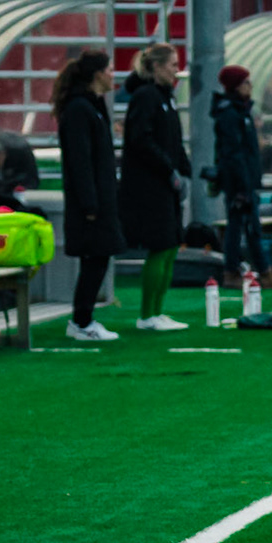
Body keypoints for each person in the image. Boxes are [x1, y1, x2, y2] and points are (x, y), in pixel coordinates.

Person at [118, 42, 192, 331]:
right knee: (160, 247)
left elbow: (174, 140)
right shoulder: (146, 96)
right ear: (157, 67)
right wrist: (168, 169)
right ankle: (147, 315)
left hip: (167, 183)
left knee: (171, 247)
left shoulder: (166, 97)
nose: (176, 70)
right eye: (172, 64)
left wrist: (183, 170)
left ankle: (158, 311)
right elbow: (141, 140)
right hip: (150, 186)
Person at [53, 49, 124, 342]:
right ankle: (81, 321)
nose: (113, 75)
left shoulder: (92, 105)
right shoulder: (79, 109)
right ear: (97, 74)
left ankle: (84, 319)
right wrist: (90, 203)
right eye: (109, 70)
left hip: (101, 196)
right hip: (90, 201)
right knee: (94, 257)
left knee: (99, 257)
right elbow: (80, 161)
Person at [212, 65, 270, 287]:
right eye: (246, 82)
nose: (251, 86)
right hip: (238, 180)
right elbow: (234, 152)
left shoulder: (239, 110)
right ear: (236, 85)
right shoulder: (231, 113)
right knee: (244, 226)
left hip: (242, 178)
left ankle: (245, 270)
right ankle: (255, 271)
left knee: (243, 225)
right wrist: (243, 183)